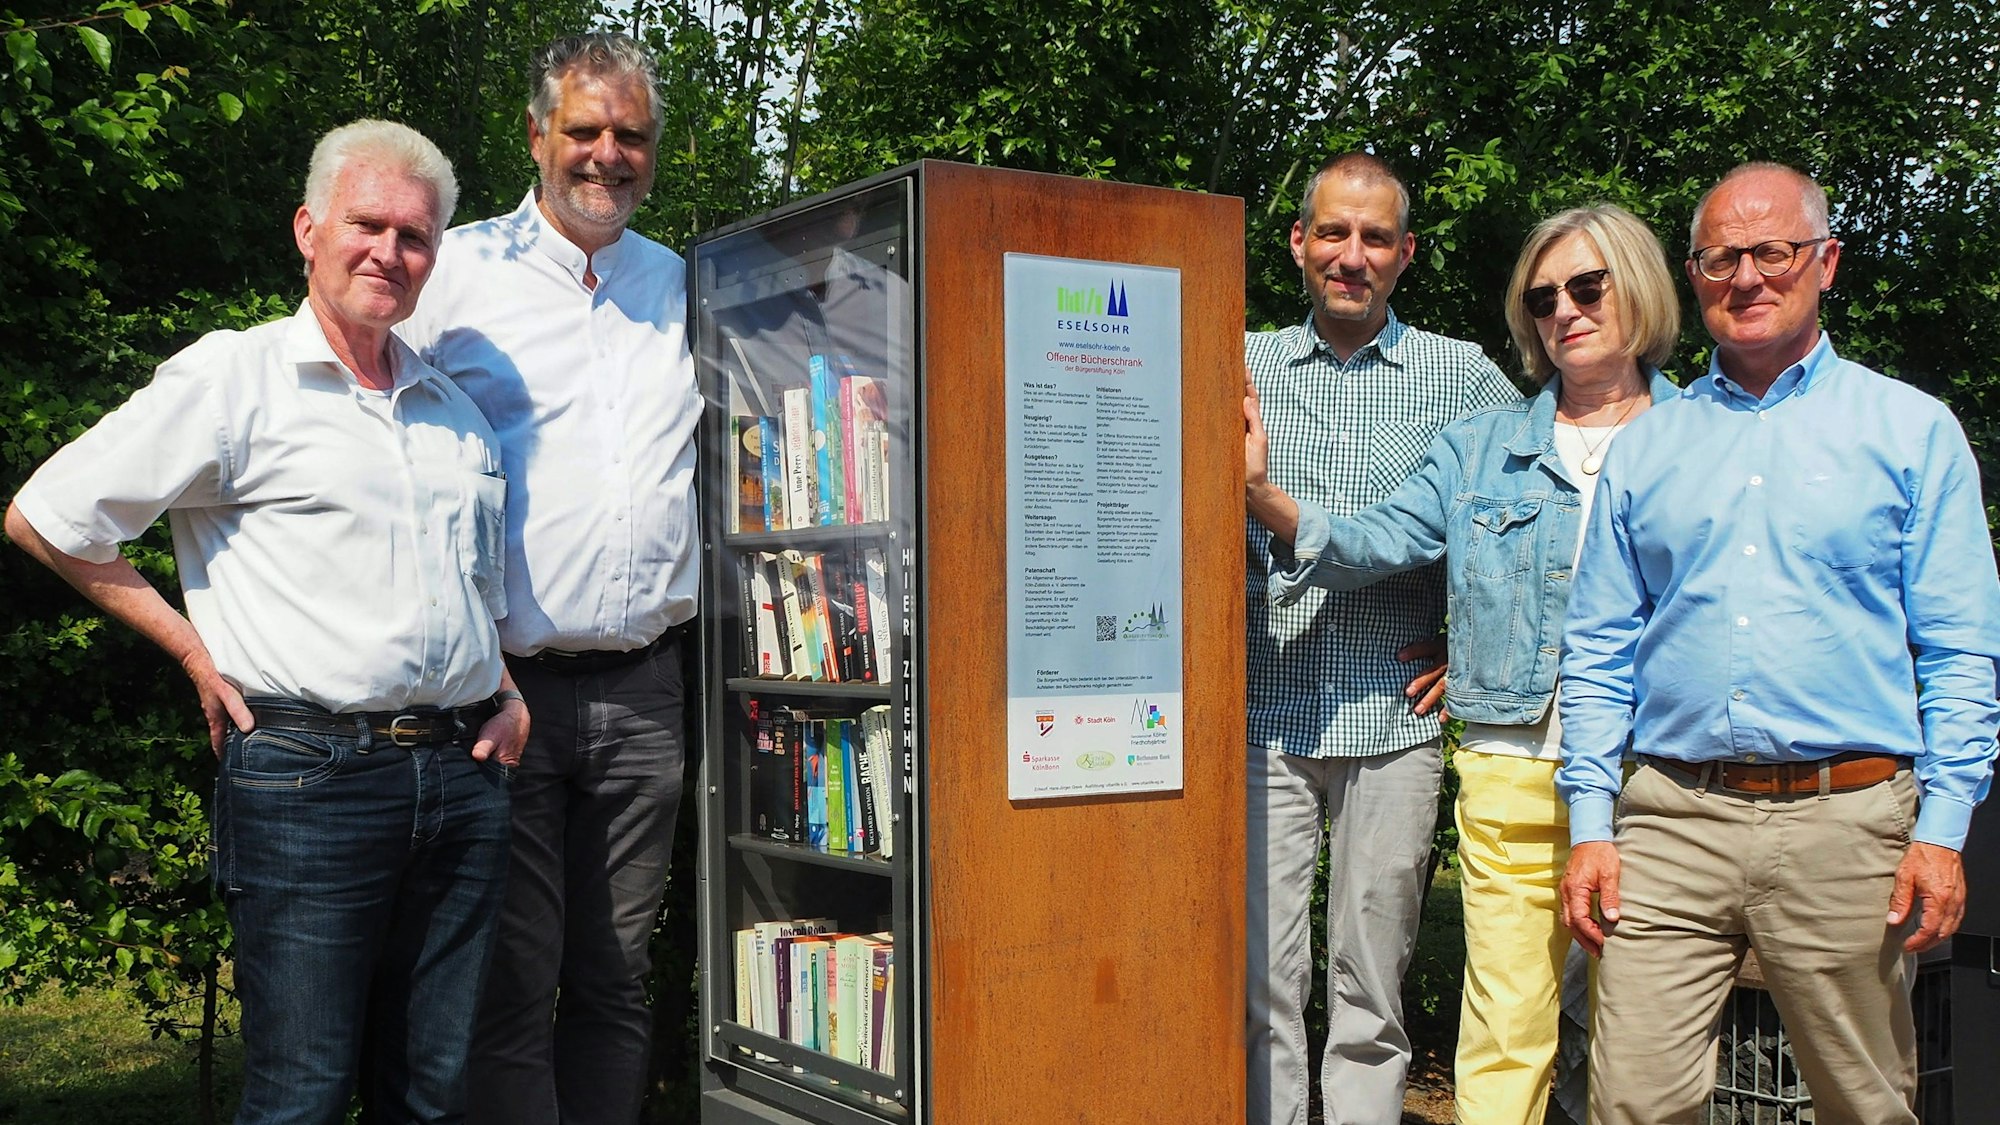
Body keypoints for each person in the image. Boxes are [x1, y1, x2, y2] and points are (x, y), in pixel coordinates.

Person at [5, 119, 527, 1123]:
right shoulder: (234, 381)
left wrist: (506, 692)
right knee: (300, 1096)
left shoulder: (452, 412)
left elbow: (470, 586)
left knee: (432, 1096)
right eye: (367, 224)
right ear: (308, 229)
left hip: (463, 780)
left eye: (414, 236)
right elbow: (48, 517)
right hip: (307, 780)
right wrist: (193, 652)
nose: (389, 252)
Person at [1556, 163, 2000, 1124]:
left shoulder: (1910, 431)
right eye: (1722, 258)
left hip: (1849, 822)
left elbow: (1961, 649)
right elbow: (1597, 649)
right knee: (1630, 1102)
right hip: (1671, 818)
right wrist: (1591, 822)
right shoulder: (1648, 448)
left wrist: (1942, 829)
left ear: (1825, 262)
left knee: (1864, 1105)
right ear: (1694, 275)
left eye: (1774, 251)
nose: (1748, 277)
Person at [1249, 204, 1681, 1125]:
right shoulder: (1485, 442)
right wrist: (1264, 497)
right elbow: (1383, 540)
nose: (1563, 310)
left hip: (1659, 777)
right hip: (1513, 763)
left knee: (1641, 1043)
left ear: (1640, 288)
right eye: (1543, 297)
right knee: (1505, 1034)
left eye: (1587, 287)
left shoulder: (1708, 436)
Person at [398, 32, 699, 1124]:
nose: (607, 154)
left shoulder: (683, 283)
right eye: (585, 129)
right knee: (512, 982)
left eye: (632, 135)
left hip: (648, 690)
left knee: (617, 978)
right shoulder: (456, 274)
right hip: (504, 692)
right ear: (536, 135)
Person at [1242, 151, 1520, 1125]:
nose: (1349, 255)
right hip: (1260, 711)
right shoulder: (1236, 363)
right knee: (1259, 980)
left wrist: (1476, 642)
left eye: (1373, 237)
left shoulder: (1462, 377)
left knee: (1371, 983)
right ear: (1298, 242)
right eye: (1332, 232)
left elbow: (1533, 507)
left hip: (1392, 718)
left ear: (1405, 253)